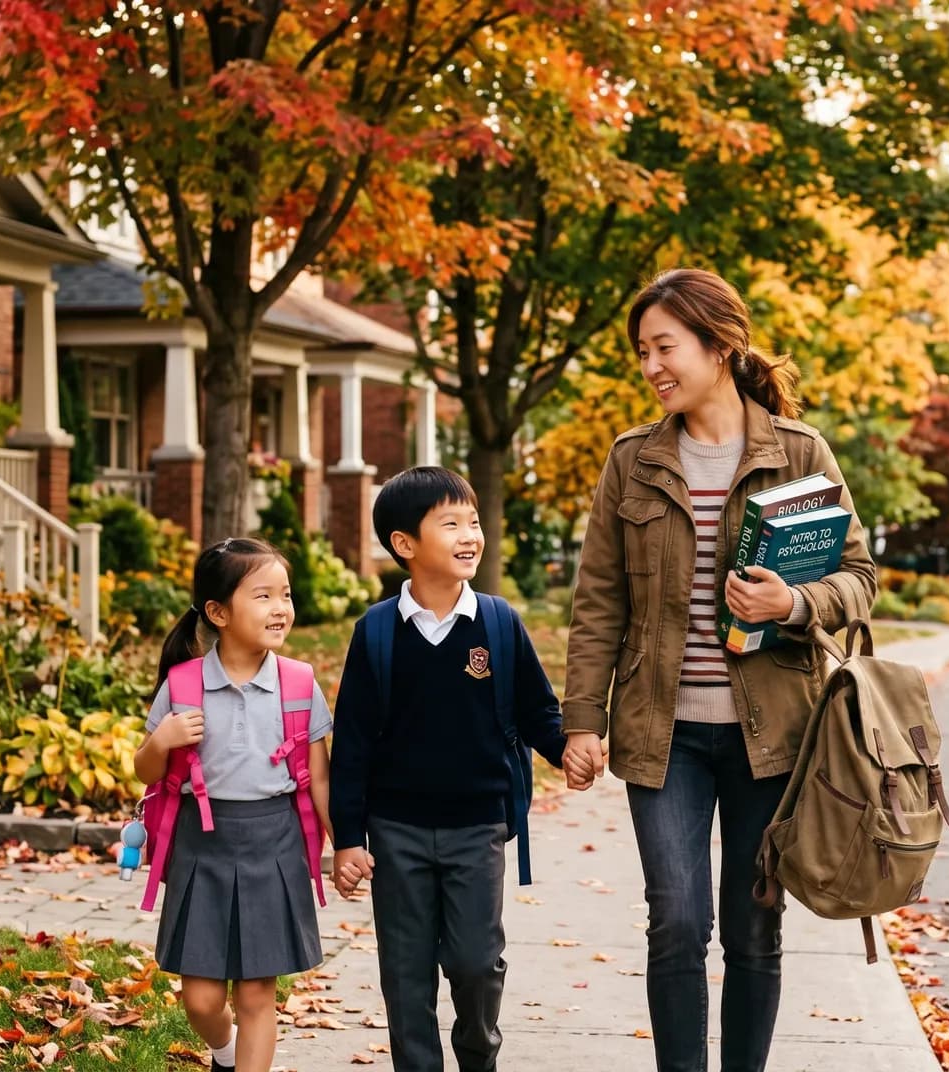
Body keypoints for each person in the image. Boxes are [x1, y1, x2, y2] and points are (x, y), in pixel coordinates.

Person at [563, 268, 877, 1071]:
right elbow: (598, 601)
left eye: (664, 347)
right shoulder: (632, 461)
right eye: (642, 351)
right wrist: (583, 721)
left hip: (770, 739)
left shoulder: (799, 452)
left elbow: (859, 580)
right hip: (662, 736)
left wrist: (794, 605)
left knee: (752, 926)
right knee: (674, 918)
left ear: (719, 345)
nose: (651, 366)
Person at [329, 466, 604, 1072]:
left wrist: (567, 751)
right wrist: (347, 840)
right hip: (395, 829)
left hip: (478, 826)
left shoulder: (498, 623)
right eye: (450, 523)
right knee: (405, 972)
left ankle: (479, 1057)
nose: (469, 535)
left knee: (477, 962)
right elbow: (350, 746)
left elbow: (537, 713)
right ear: (405, 544)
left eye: (473, 522)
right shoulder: (376, 633)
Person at [133, 537, 334, 1072]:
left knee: (255, 996)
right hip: (203, 845)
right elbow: (145, 771)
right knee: (200, 998)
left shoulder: (298, 682)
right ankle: (223, 1052)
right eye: (263, 596)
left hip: (274, 844)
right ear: (218, 612)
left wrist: (348, 846)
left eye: (284, 595)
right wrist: (164, 740)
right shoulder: (183, 685)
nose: (280, 608)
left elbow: (317, 777)